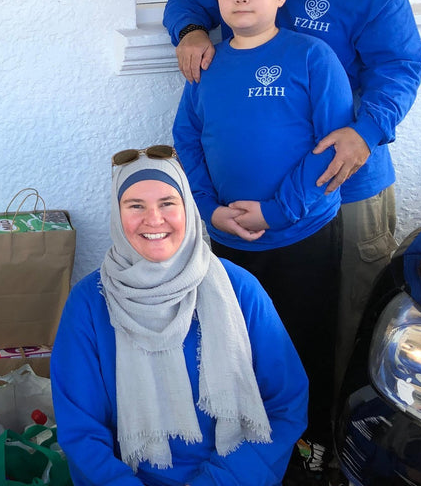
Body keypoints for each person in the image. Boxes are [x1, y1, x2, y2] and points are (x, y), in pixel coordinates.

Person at [163, 0, 421, 400]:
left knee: (347, 319)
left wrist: (367, 130)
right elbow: (186, 2)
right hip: (250, 206)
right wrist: (190, 32)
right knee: (256, 326)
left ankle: (333, 445)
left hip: (348, 182)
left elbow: (399, 66)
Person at [171, 0, 354, 474]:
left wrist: (275, 211)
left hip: (301, 238)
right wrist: (207, 209)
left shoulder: (311, 57)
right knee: (233, 342)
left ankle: (308, 444)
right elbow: (188, 139)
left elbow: (333, 149)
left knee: (301, 343)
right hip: (228, 239)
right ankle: (241, 438)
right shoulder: (208, 65)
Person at [51, 146, 308, 486]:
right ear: (117, 214)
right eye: (135, 206)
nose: (153, 219)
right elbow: (81, 429)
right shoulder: (90, 303)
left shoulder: (239, 290)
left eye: (167, 204)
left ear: (187, 207)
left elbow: (284, 404)